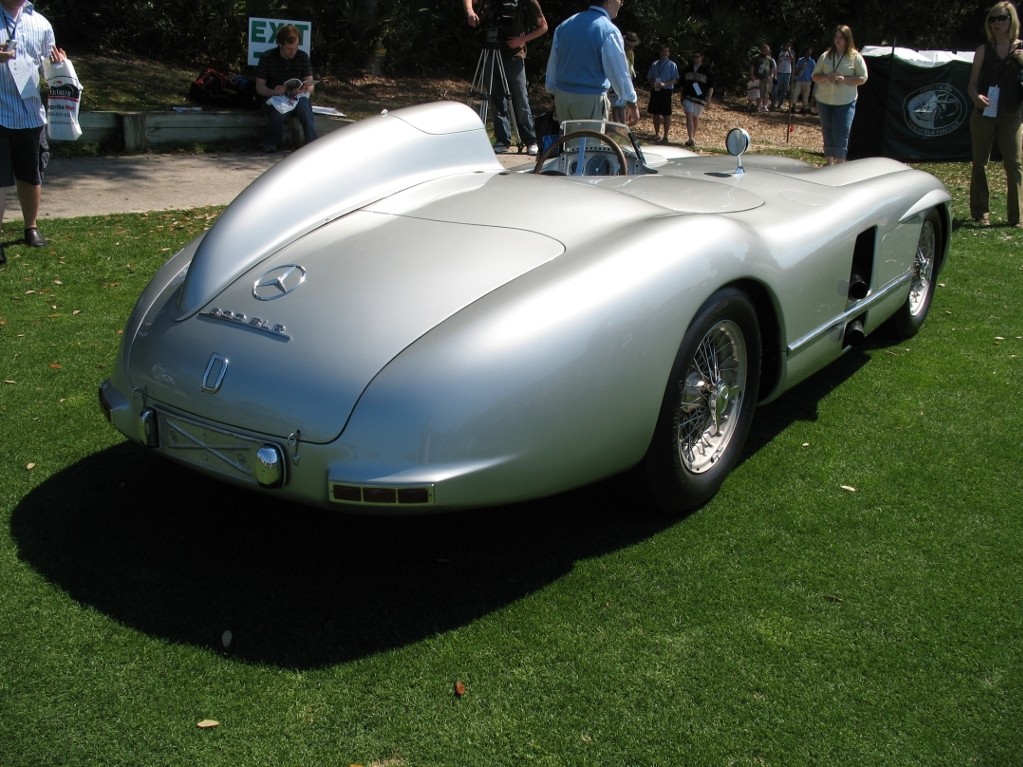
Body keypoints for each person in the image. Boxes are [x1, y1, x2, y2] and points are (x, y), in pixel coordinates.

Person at [0, 0, 66, 264]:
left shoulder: (41, 23)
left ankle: (31, 227)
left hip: (29, 114)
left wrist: (58, 65)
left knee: (31, 174)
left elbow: (48, 73)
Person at [464, 0, 548, 155]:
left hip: (514, 55)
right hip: (490, 50)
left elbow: (543, 26)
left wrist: (521, 40)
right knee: (496, 97)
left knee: (520, 97)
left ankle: (530, 140)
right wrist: (470, 11)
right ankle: (503, 139)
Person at [966, 1, 1023, 227]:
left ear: (1012, 20)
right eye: (992, 19)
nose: (997, 23)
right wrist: (975, 97)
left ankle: (1016, 217)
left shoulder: (1021, 50)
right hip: (984, 113)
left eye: (1001, 18)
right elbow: (971, 84)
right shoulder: (983, 50)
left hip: (1012, 114)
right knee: (980, 162)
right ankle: (981, 213)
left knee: (1014, 163)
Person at [545, 0, 639, 125]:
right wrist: (632, 102)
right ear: (609, 1)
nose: (622, 3)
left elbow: (553, 65)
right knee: (590, 144)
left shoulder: (564, 25)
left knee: (568, 143)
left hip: (563, 97)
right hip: (590, 99)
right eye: (620, 0)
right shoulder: (609, 30)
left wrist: (553, 95)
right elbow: (619, 73)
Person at [254, 24, 317, 154]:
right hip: (276, 97)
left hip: (296, 97)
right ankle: (269, 143)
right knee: (278, 111)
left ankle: (312, 145)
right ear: (280, 45)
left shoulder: (302, 57)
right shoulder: (268, 57)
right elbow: (259, 87)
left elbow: (310, 84)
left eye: (295, 48)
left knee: (305, 108)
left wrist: (305, 89)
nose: (292, 52)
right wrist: (274, 92)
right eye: (289, 49)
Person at [812, 25, 867, 165]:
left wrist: (845, 80)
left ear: (847, 38)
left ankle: (840, 162)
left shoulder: (855, 57)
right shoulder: (826, 56)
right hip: (825, 99)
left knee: (842, 131)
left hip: (845, 101)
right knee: (827, 130)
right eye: (836, 37)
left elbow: (863, 78)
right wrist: (825, 77)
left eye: (841, 37)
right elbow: (815, 76)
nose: (838, 40)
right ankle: (829, 161)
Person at [680, 49, 714, 147]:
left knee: (695, 118)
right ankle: (690, 138)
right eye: (694, 56)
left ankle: (693, 138)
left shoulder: (706, 71)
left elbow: (710, 86)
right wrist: (681, 96)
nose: (695, 58)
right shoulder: (687, 69)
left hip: (700, 98)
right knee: (689, 116)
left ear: (701, 57)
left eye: (697, 56)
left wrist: (709, 98)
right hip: (688, 96)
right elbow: (682, 84)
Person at [646, 44, 679, 143]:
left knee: (666, 114)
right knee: (655, 113)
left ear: (669, 53)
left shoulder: (672, 65)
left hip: (666, 91)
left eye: (666, 51)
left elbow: (675, 79)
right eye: (663, 51)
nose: (664, 53)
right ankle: (657, 134)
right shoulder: (654, 64)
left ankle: (666, 136)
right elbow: (649, 77)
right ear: (660, 53)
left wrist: (665, 84)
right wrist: (652, 84)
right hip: (656, 90)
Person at [611, 30, 639, 122]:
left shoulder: (631, 53)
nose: (631, 46)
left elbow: (630, 68)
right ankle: (616, 126)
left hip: (627, 81)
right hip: (617, 81)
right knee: (616, 105)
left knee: (622, 105)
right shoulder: (619, 51)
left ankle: (622, 126)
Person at [750, 43, 775, 112]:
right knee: (758, 93)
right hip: (757, 77)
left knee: (766, 93)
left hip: (766, 78)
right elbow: (752, 66)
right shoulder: (756, 57)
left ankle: (765, 106)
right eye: (766, 50)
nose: (767, 52)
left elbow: (772, 67)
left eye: (768, 50)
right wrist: (752, 75)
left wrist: (771, 75)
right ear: (762, 50)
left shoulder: (769, 59)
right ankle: (758, 106)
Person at [772, 40, 794, 110]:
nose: (787, 47)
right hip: (779, 72)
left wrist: (789, 51)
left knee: (784, 90)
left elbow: (793, 60)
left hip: (787, 73)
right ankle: (773, 103)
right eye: (786, 45)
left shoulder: (791, 52)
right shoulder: (779, 52)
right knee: (776, 89)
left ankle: (780, 104)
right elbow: (774, 62)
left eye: (789, 46)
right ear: (784, 46)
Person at [792, 46, 815, 113]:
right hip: (799, 80)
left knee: (806, 95)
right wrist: (800, 67)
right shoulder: (800, 60)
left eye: (810, 51)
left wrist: (812, 79)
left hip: (807, 81)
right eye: (808, 51)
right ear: (805, 52)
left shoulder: (812, 62)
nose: (809, 52)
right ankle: (793, 106)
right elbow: (795, 70)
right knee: (795, 93)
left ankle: (804, 107)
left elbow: (814, 72)